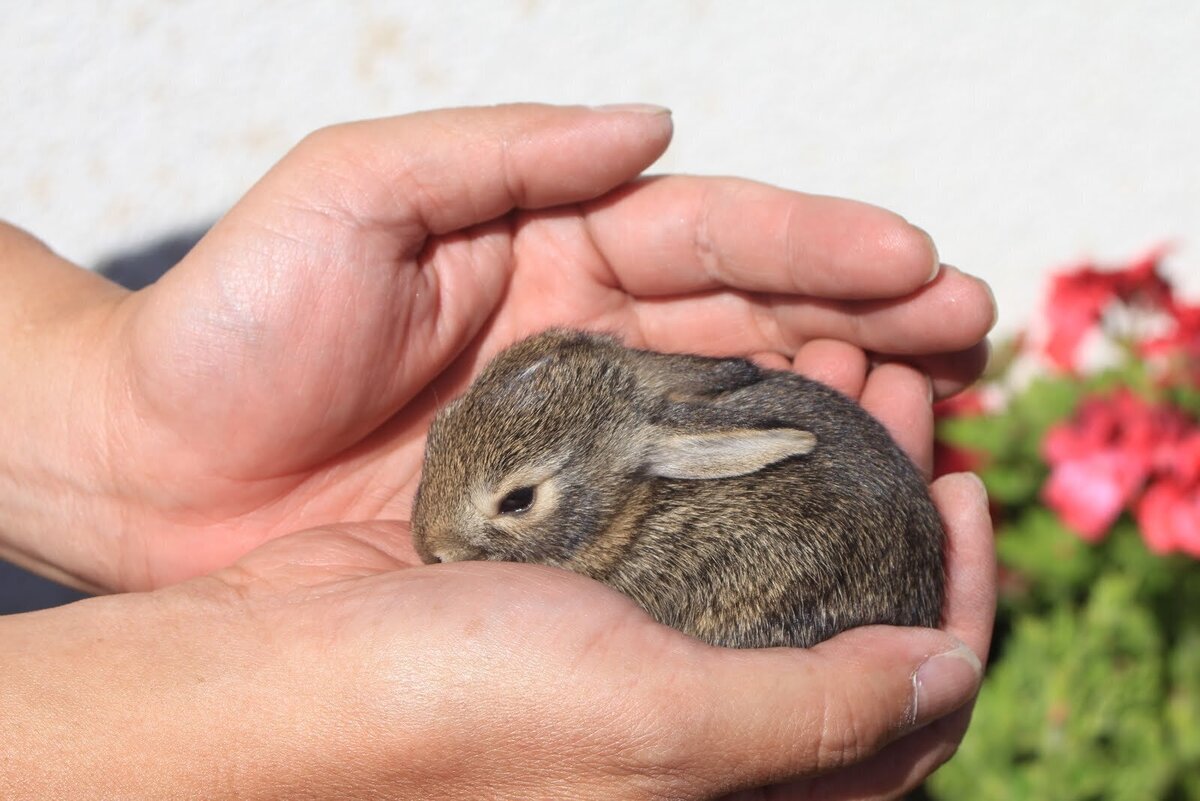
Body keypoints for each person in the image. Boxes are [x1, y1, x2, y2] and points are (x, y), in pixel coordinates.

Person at [0, 103, 997, 799]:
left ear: (665, 461)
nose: (438, 537)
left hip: (804, 580)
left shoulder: (682, 464)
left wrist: (113, 427)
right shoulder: (618, 422)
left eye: (514, 503)